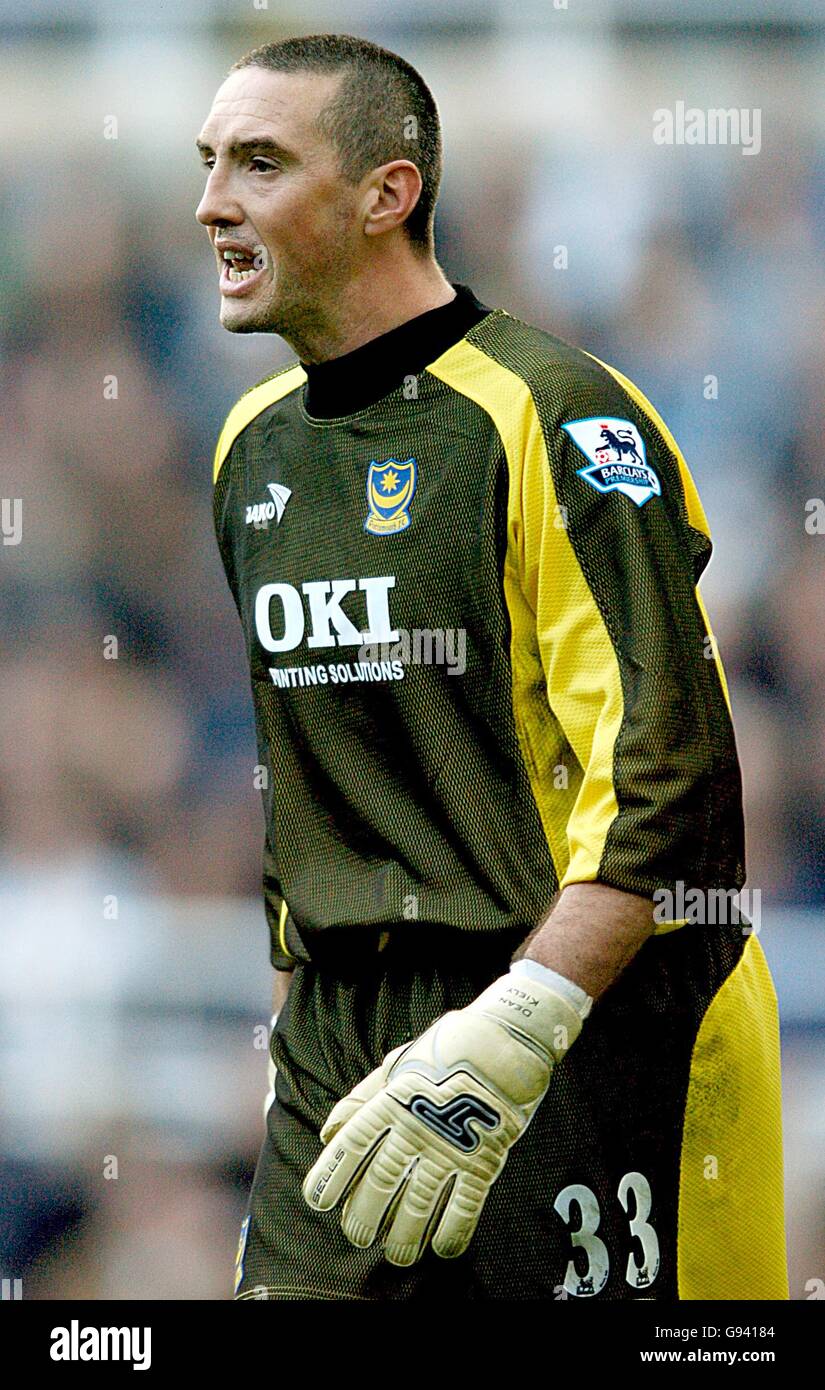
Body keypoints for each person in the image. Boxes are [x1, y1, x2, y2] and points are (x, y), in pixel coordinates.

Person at [196, 33, 788, 1301]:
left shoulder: (554, 414)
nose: (211, 204)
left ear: (384, 195)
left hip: (577, 1013)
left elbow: (673, 790)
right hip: (344, 1047)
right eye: (208, 164)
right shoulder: (249, 448)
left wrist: (519, 1026)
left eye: (257, 162)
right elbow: (324, 790)